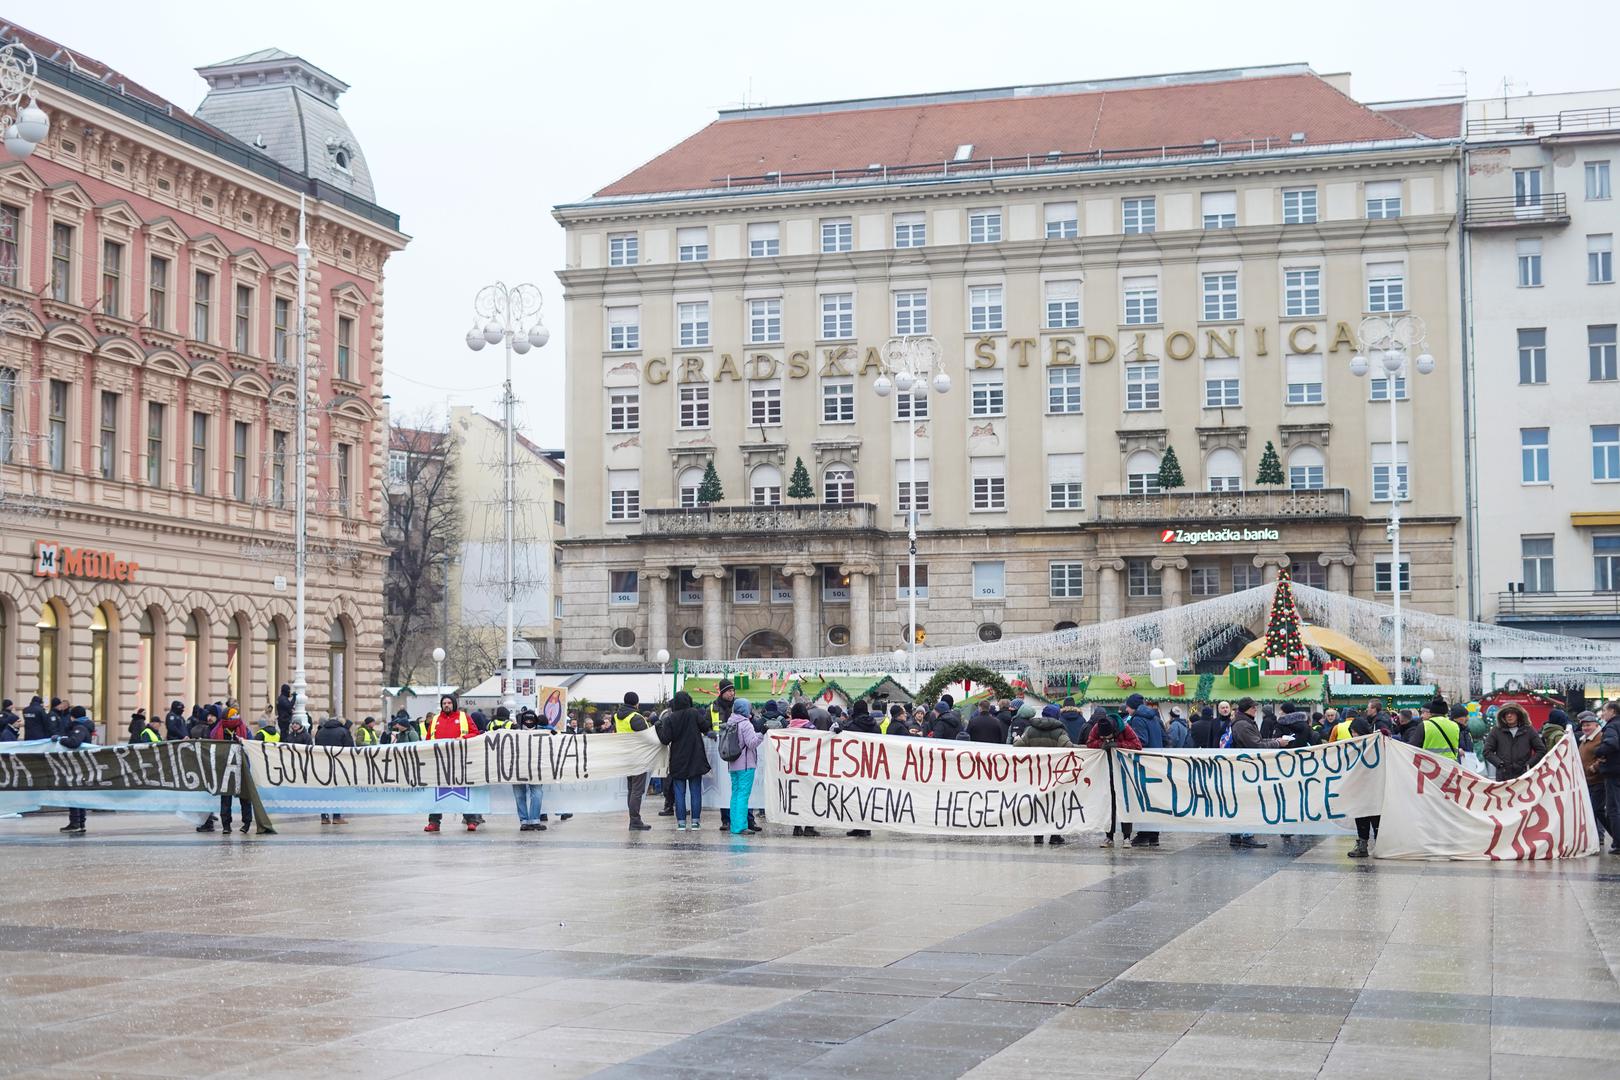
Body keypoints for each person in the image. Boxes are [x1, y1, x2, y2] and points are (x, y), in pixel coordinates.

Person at [1227, 697, 1292, 849]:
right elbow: (1255, 745)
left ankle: (1236, 835)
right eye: (1253, 707)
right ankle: (1246, 835)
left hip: (1245, 768)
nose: (1256, 710)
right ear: (1246, 709)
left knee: (1242, 802)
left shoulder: (1245, 722)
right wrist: (1277, 743)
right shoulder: (1243, 724)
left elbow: (1258, 740)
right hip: (1246, 769)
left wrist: (1275, 740)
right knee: (1247, 802)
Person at [421, 694, 481, 833]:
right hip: (439, 761)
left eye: (449, 703)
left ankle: (471, 820)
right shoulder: (435, 719)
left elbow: (475, 733)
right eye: (444, 703)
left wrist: (464, 738)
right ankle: (434, 822)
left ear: (454, 704)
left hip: (460, 760)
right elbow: (429, 739)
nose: (446, 705)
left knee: (462, 790)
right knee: (435, 792)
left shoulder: (464, 717)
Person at [1015, 704, 1072, 846]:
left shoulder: (1030, 730)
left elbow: (1018, 747)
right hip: (1055, 775)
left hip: (1036, 774)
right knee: (1055, 803)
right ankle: (1055, 835)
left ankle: (1038, 835)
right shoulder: (1060, 732)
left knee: (1037, 803)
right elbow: (1069, 748)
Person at [658, 691, 711, 830]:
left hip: (678, 760)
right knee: (695, 791)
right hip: (695, 758)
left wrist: (658, 727)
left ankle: (681, 823)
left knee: (679, 793)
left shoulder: (670, 718)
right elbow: (705, 727)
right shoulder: (693, 713)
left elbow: (665, 740)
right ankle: (695, 822)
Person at [1087, 714, 1141, 848]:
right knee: (1109, 805)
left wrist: (1118, 745)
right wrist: (1101, 744)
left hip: (1123, 771)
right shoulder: (1096, 728)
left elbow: (1137, 745)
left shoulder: (1126, 728)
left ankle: (1127, 837)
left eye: (1108, 737)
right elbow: (1089, 743)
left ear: (1115, 731)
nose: (1106, 739)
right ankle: (1109, 836)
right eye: (1103, 737)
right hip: (1105, 771)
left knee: (1125, 804)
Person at [724, 699, 765, 835]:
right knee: (743, 795)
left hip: (733, 764)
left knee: (735, 794)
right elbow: (752, 743)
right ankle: (741, 826)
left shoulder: (731, 721)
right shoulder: (745, 724)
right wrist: (762, 734)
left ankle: (734, 825)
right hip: (746, 765)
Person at [613, 692, 653, 831]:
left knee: (631, 789)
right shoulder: (635, 717)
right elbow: (649, 736)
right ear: (636, 703)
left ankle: (633, 819)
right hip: (638, 757)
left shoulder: (617, 716)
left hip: (625, 756)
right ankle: (635, 820)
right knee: (637, 790)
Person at [56, 707, 96, 836]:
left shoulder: (80, 728)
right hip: (80, 765)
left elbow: (74, 742)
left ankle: (75, 823)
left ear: (72, 717)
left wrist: (60, 739)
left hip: (78, 766)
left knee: (73, 794)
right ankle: (80, 823)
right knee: (78, 794)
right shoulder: (84, 726)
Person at [1483, 703, 1545, 781]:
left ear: (1518, 715)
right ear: (1503, 716)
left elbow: (1541, 750)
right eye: (1506, 713)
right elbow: (1487, 751)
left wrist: (1529, 765)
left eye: (1512, 713)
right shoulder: (1496, 731)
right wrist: (1499, 764)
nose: (1509, 715)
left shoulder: (1529, 730)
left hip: (1524, 776)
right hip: (1503, 777)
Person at [314, 716, 353, 825]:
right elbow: (349, 748)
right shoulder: (343, 731)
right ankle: (337, 816)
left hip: (322, 765)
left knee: (324, 791)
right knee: (338, 790)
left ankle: (324, 817)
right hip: (338, 765)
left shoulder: (320, 731)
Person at [1576, 712, 1608, 847]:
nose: (1585, 728)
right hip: (1587, 781)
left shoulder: (1601, 737)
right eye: (1583, 726)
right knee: (1592, 810)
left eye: (1588, 725)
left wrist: (1594, 768)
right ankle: (1595, 837)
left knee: (1596, 810)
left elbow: (1605, 755)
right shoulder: (1584, 739)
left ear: (1596, 725)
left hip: (1598, 780)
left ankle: (1607, 835)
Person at [1595, 699, 1620, 855]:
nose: (1602, 713)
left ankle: (1618, 843)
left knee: (1613, 809)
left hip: (1613, 772)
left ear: (1613, 712)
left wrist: (1598, 751)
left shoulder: (1611, 726)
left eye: (1604, 710)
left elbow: (1611, 744)